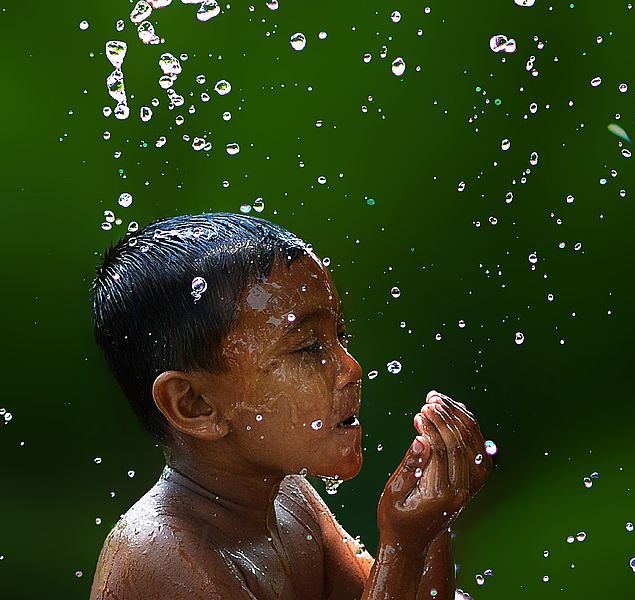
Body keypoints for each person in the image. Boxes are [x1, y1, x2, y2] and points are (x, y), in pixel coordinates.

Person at [88, 213, 491, 599]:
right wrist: (404, 548)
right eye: (308, 347)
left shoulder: (287, 500)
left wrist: (431, 527)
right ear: (196, 405)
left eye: (340, 335)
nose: (351, 368)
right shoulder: (159, 556)